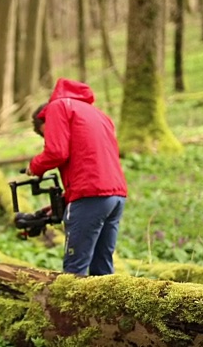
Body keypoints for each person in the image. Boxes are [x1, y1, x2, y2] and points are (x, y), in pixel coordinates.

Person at [25, 77, 128, 276]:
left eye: (45, 134)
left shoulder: (57, 108)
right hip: (115, 196)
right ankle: (106, 308)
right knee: (103, 270)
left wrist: (35, 166)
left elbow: (57, 152)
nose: (48, 138)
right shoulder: (96, 114)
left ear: (44, 119)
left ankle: (69, 309)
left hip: (90, 196)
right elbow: (91, 161)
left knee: (74, 272)